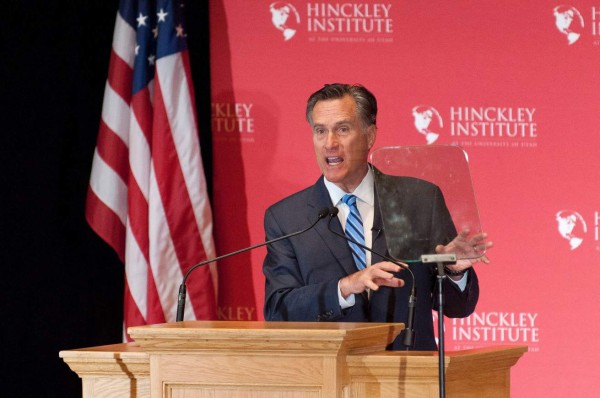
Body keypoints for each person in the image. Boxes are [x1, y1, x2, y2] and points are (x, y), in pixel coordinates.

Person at [262, 83, 492, 350]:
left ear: (370, 136)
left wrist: (453, 271)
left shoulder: (419, 199)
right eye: (320, 131)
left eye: (343, 129)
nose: (330, 143)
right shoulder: (288, 218)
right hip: (330, 377)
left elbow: (459, 307)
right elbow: (278, 309)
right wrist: (345, 287)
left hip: (410, 375)